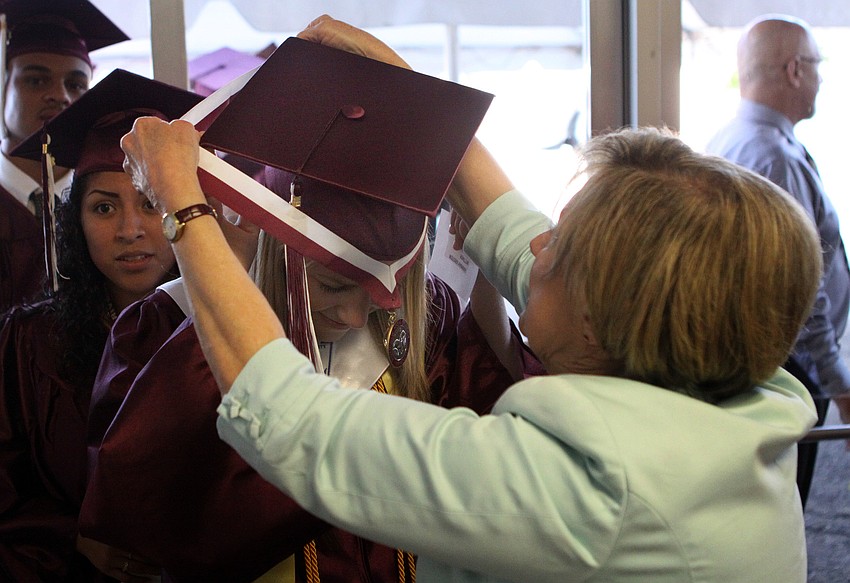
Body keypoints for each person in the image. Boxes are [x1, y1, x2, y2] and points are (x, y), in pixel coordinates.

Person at [118, 15, 822, 583]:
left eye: (563, 249)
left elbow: (287, 415)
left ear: (605, 324)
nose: (536, 248)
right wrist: (405, 91)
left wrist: (181, 200)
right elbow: (508, 224)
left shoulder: (585, 490)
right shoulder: (744, 387)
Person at [80, 38, 537, 583]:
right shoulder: (164, 325)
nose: (352, 317)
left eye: (379, 295)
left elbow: (490, 451)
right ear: (279, 245)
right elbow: (143, 517)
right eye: (332, 285)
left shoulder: (424, 315)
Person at [0, 68, 203, 581]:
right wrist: (74, 536)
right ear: (76, 223)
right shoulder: (29, 342)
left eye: (152, 204)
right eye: (104, 207)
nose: (131, 230)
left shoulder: (227, 333)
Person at [705, 14, 850, 505]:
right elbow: (798, 288)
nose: (822, 77)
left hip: (765, 361)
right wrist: (837, 378)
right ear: (793, 70)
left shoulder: (735, 138)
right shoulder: (775, 158)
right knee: (785, 506)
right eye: (817, 64)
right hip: (791, 367)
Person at [0, 0, 129, 313]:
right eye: (36, 79)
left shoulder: (108, 204)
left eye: (76, 84)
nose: (60, 95)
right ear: (3, 86)